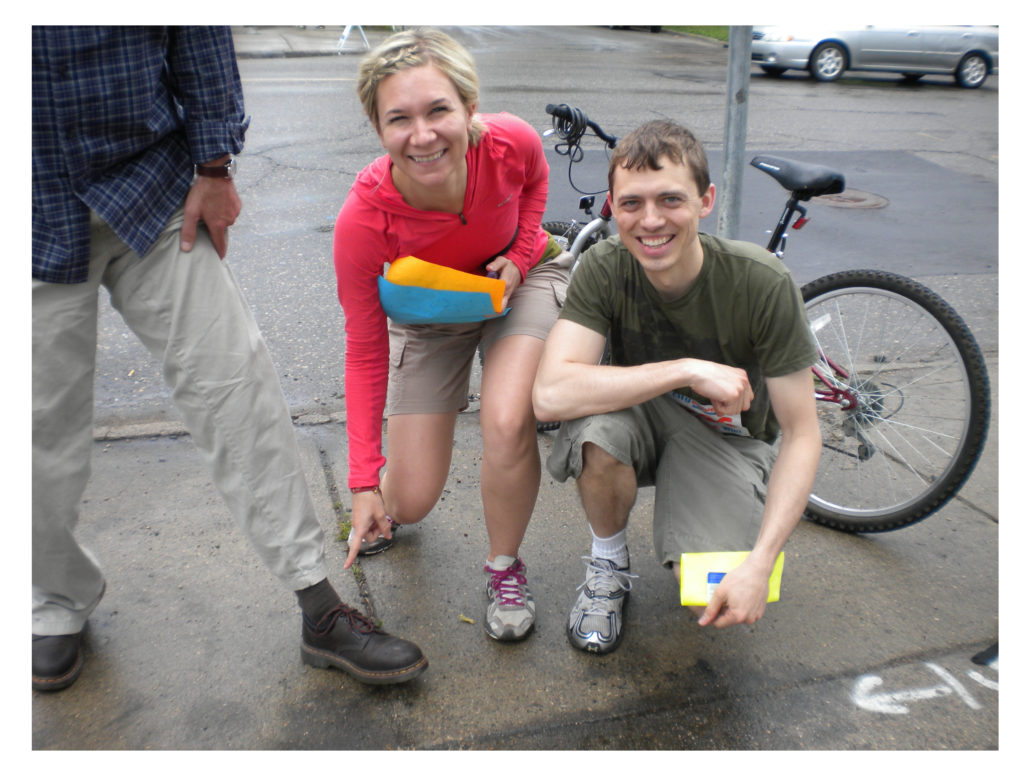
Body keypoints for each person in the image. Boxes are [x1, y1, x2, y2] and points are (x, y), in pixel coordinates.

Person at [32, 26, 427, 691]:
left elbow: (198, 32)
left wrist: (214, 167)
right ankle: (55, 601)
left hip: (151, 190)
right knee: (36, 432)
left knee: (238, 391)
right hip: (31, 205)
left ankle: (318, 607)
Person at [532, 119, 822, 654]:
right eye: (631, 204)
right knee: (596, 432)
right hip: (640, 415)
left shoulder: (761, 282)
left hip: (724, 438)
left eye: (670, 199)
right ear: (613, 207)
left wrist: (760, 563)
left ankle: (715, 534)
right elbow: (549, 394)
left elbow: (803, 435)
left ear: (705, 200)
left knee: (710, 603)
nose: (650, 221)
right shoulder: (605, 265)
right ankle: (607, 563)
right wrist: (686, 369)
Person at [333, 28, 570, 641]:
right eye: (399, 119)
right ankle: (379, 505)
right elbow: (363, 352)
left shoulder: (510, 141)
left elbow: (537, 184)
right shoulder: (364, 220)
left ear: (469, 108)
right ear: (377, 128)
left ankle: (504, 567)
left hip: (517, 286)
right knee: (406, 503)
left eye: (439, 109)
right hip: (432, 311)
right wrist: (362, 482)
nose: (423, 134)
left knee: (506, 416)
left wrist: (520, 254)